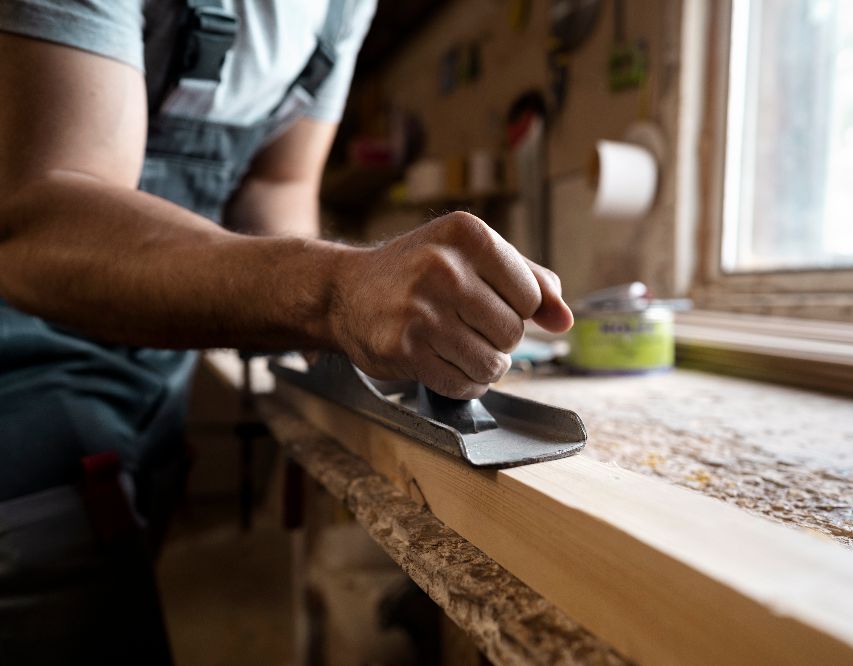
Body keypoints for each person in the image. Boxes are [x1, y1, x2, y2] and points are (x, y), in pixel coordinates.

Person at [0, 1, 573, 662]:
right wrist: (336, 290)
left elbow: (279, 186)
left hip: (147, 379)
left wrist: (377, 319)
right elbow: (39, 218)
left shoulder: (343, 8)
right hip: (21, 384)